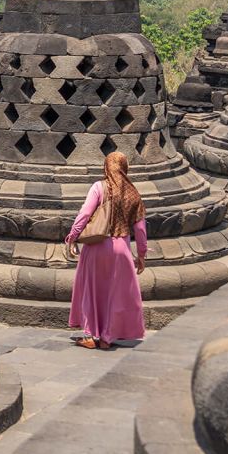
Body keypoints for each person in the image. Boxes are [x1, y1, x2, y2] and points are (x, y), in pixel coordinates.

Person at [65, 150, 148, 349]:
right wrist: (141, 256)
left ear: (105, 167)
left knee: (93, 291)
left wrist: (72, 236)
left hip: (96, 247)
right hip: (122, 251)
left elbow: (84, 214)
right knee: (115, 295)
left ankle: (91, 335)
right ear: (125, 168)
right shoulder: (133, 194)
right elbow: (141, 230)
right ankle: (106, 338)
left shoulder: (99, 187)